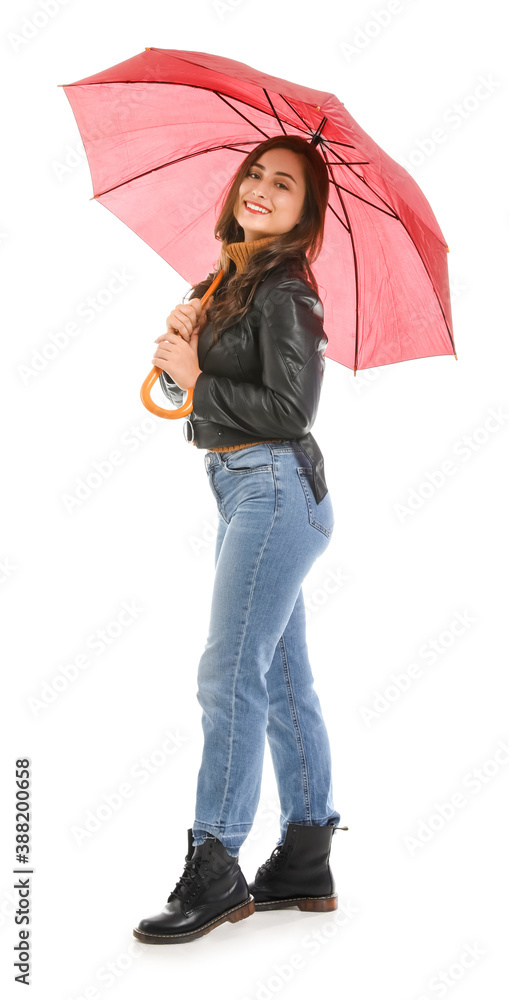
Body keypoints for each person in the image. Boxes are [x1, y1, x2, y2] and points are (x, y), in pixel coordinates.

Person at [133, 135, 347, 945]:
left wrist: (197, 377)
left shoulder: (290, 290)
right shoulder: (222, 280)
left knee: (229, 675)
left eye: (283, 184)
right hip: (239, 489)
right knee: (283, 682)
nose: (261, 187)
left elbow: (291, 412)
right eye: (255, 173)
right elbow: (183, 394)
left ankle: (216, 863)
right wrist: (175, 352)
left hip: (276, 490)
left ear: (304, 215)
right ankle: (305, 856)